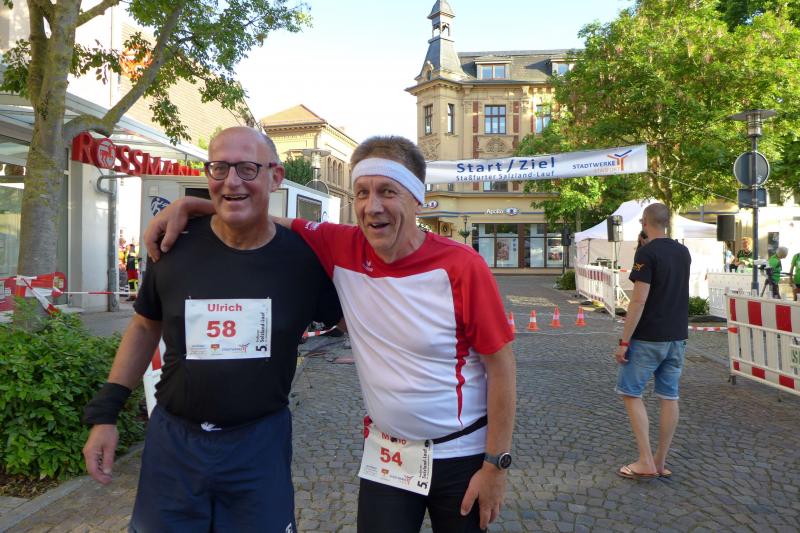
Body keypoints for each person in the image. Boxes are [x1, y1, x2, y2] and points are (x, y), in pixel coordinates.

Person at [145, 135, 517, 532]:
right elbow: (260, 217)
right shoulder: (340, 245)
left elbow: (501, 368)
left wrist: (495, 465)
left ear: (416, 199)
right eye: (362, 193)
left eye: (387, 191)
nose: (372, 206)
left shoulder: (461, 265)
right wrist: (192, 205)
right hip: (388, 455)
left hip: (460, 453)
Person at [82, 127, 342, 532]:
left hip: (259, 445)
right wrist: (106, 414)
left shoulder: (304, 262)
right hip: (174, 445)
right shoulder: (173, 246)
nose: (231, 181)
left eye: (247, 168)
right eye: (219, 168)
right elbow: (145, 327)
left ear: (275, 176)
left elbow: (356, 319)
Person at [614, 202, 691, 480]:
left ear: (645, 223)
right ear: (667, 223)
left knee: (631, 392)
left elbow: (638, 300)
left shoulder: (647, 254)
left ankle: (645, 460)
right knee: (669, 397)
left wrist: (624, 341)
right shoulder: (683, 252)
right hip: (677, 336)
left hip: (648, 336)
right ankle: (660, 461)